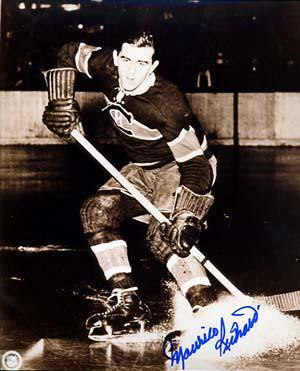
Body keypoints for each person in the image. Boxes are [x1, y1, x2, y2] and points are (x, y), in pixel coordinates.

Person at [42, 31, 217, 339]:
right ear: (117, 58)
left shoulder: (167, 104)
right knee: (96, 212)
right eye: (126, 60)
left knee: (164, 238)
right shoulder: (107, 66)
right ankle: (129, 304)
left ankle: (207, 314)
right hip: (141, 169)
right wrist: (61, 101)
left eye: (141, 63)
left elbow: (196, 167)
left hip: (182, 170)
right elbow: (68, 52)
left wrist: (186, 215)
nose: (131, 71)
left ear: (153, 66)